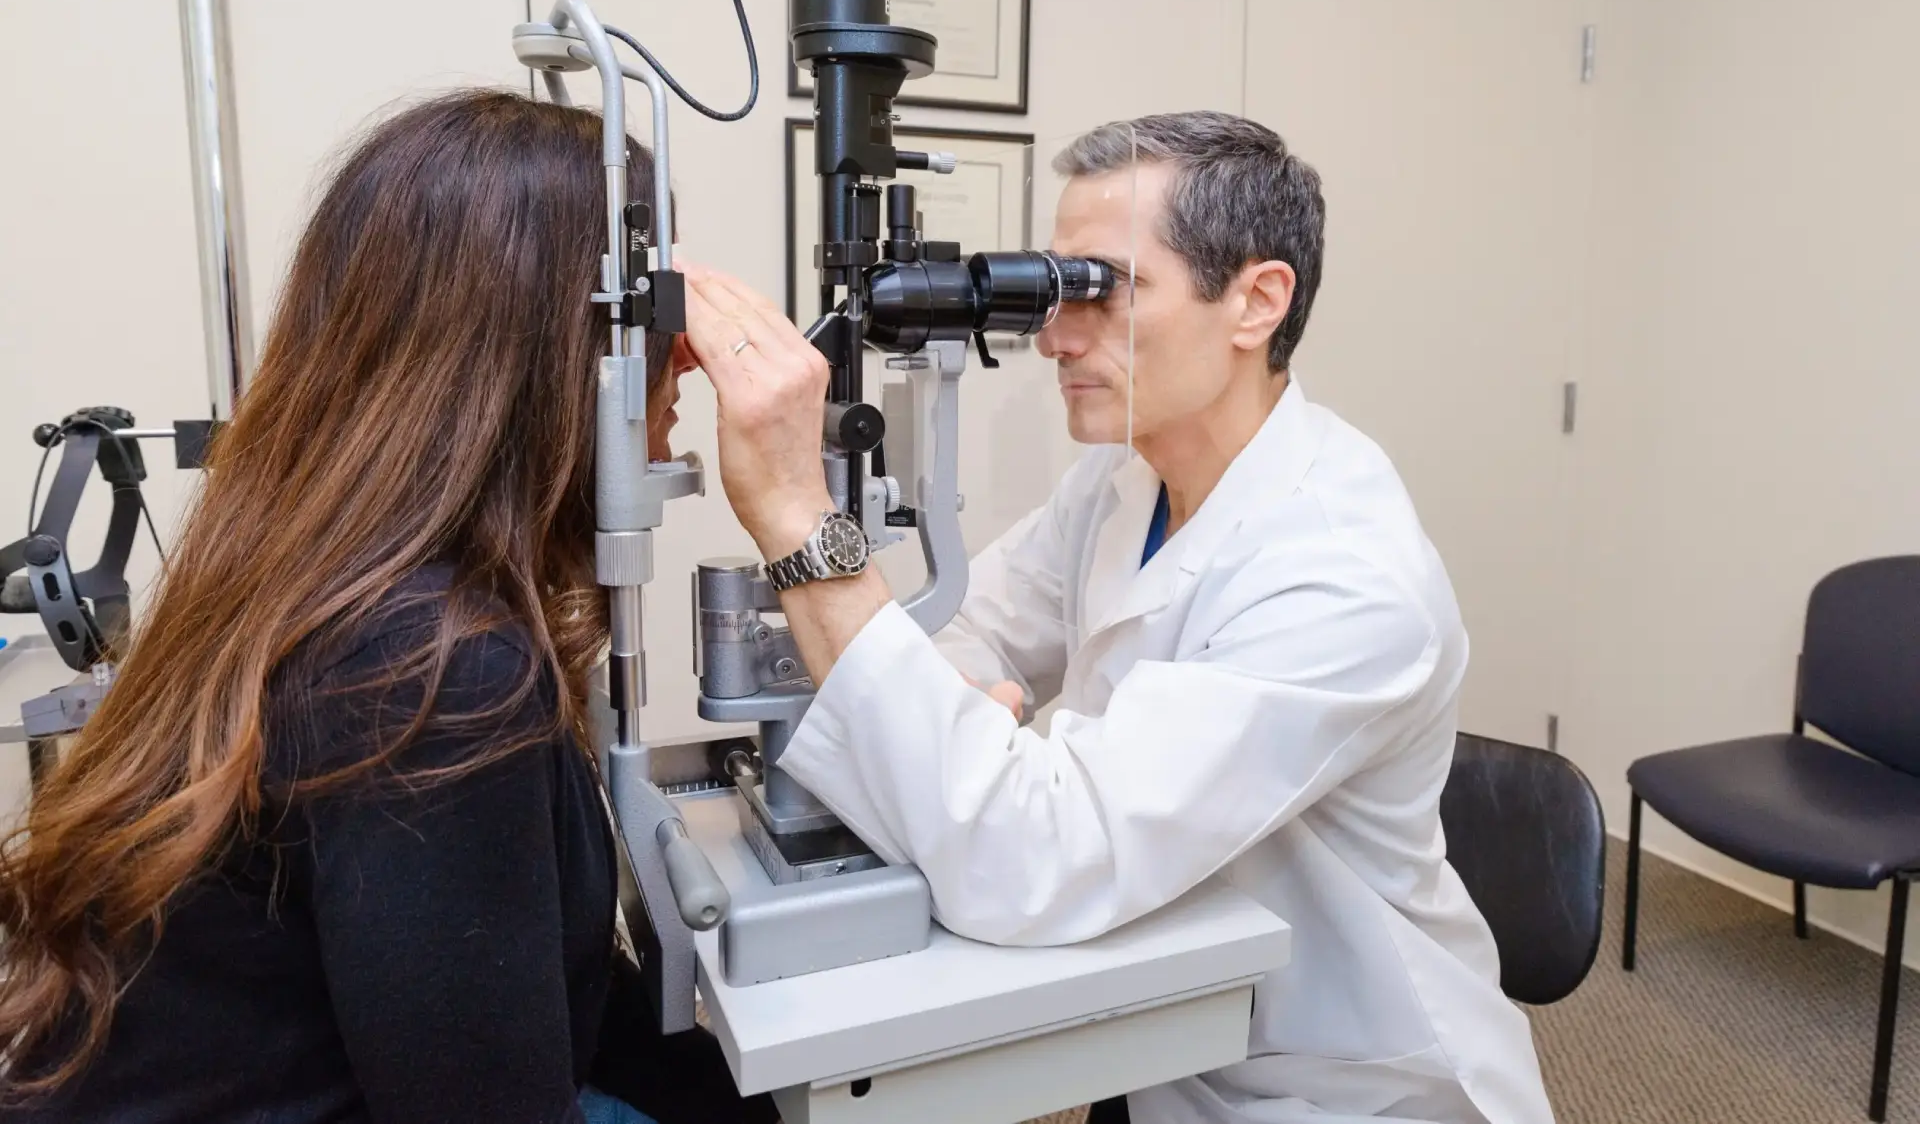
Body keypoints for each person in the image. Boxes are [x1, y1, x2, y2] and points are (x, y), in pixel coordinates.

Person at [678, 111, 1556, 1123]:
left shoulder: (1347, 575)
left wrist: (799, 515)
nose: (1054, 334)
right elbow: (967, 629)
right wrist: (962, 723)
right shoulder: (1122, 476)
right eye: (1056, 287)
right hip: (1161, 1029)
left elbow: (1033, 860)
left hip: (1333, 1082)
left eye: (1104, 289)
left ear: (1255, 302)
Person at [0, 90, 769, 1124]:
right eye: (651, 316)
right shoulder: (430, 669)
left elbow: (562, 1005)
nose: (679, 360)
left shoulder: (325, 577)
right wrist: (798, 510)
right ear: (542, 352)